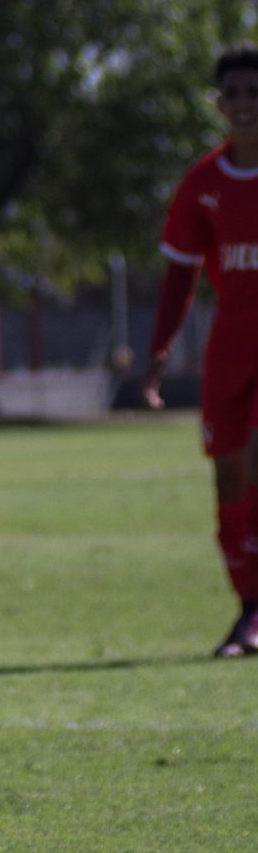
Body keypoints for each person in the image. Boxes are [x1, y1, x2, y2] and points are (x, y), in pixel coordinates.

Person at [144, 45, 258, 658]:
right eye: (232, 94)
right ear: (218, 104)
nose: (243, 105)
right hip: (231, 354)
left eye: (253, 93)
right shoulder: (204, 185)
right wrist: (159, 349)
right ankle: (248, 611)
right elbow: (180, 274)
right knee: (228, 481)